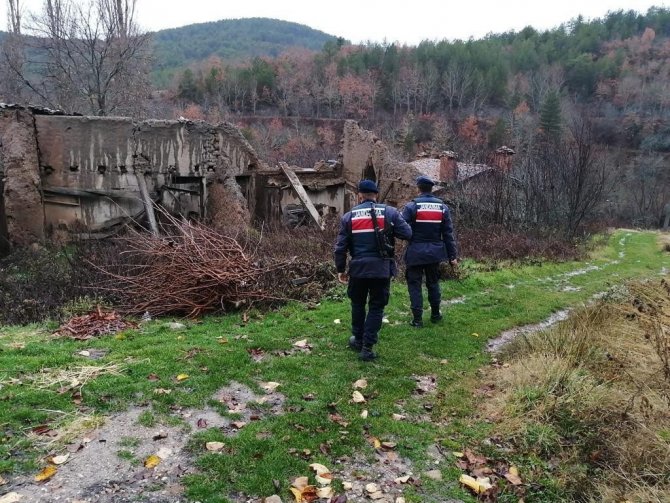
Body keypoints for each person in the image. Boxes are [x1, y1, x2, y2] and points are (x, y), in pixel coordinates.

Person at [334, 179, 412, 361]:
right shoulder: (390, 212)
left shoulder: (348, 217)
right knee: (376, 307)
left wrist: (340, 269)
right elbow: (407, 234)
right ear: (376, 195)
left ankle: (358, 339)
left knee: (357, 304)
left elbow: (340, 248)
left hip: (358, 269)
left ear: (359, 195)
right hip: (381, 269)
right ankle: (367, 347)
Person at [401, 176, 458, 328]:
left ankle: (417, 320)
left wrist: (408, 237)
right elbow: (448, 234)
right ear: (431, 189)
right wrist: (452, 256)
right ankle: (435, 315)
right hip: (434, 253)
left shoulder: (412, 206)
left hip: (415, 253)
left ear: (418, 188)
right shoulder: (442, 207)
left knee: (415, 285)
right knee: (433, 284)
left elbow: (400, 226)